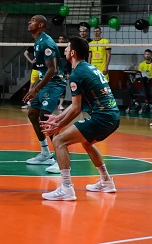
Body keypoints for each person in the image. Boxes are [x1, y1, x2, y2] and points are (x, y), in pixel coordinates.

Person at [39, 36, 120, 201]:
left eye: (67, 47)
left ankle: (66, 188)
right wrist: (58, 119)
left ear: (73, 53)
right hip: (113, 117)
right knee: (86, 143)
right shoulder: (89, 68)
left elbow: (76, 109)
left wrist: (58, 127)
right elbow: (77, 105)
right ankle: (106, 181)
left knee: (59, 140)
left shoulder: (77, 74)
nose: (65, 49)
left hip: (102, 117)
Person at [23, 15, 66, 172]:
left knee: (45, 117)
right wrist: (35, 87)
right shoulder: (37, 41)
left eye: (33, 20)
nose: (29, 22)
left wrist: (35, 88)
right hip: (45, 83)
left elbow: (52, 69)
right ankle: (46, 154)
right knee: (33, 114)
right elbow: (43, 70)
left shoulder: (46, 42)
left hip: (55, 83)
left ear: (41, 25)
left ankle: (61, 159)